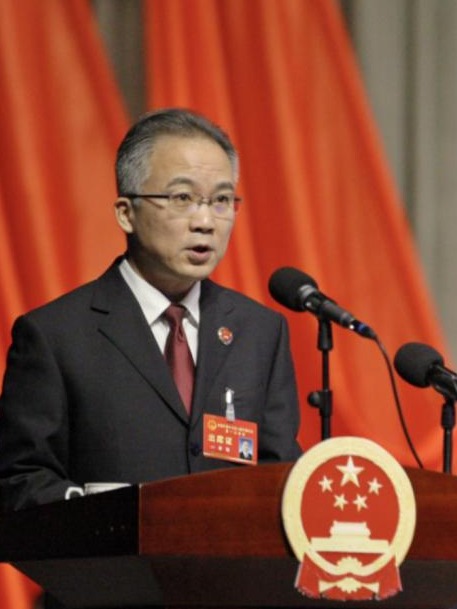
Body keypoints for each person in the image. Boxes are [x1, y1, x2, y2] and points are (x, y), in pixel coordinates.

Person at [0, 108, 301, 515]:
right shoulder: (55, 336)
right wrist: (109, 514)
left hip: (227, 557)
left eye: (221, 200)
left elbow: (279, 475)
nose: (205, 221)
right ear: (126, 213)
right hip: (107, 555)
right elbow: (21, 481)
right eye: (182, 198)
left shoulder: (259, 331)